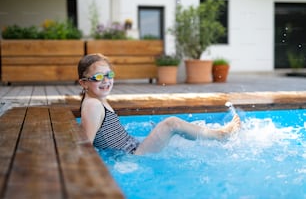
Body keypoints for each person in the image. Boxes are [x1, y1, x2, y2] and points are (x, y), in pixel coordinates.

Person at [78, 53, 241, 155]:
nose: (106, 81)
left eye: (109, 75)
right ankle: (220, 135)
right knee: (171, 123)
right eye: (99, 77)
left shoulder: (97, 100)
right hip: (133, 155)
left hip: (133, 147)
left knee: (172, 131)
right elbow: (86, 147)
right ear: (83, 83)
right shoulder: (93, 105)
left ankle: (213, 134)